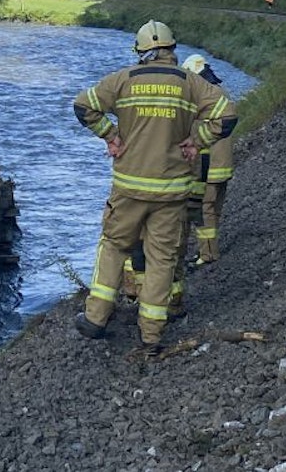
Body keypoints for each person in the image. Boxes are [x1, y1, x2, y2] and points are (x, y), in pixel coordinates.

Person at [72, 20, 236, 358]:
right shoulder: (191, 84)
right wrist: (198, 140)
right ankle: (150, 336)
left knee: (115, 247)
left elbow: (83, 106)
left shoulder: (123, 79)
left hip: (128, 188)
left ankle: (95, 318)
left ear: (141, 52)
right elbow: (227, 113)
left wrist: (111, 135)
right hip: (172, 191)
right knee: (162, 259)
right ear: (172, 50)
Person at [180, 54, 233, 268]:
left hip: (208, 165)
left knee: (204, 210)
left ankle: (208, 254)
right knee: (214, 209)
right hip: (224, 164)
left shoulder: (202, 100)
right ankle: (210, 248)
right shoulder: (221, 94)